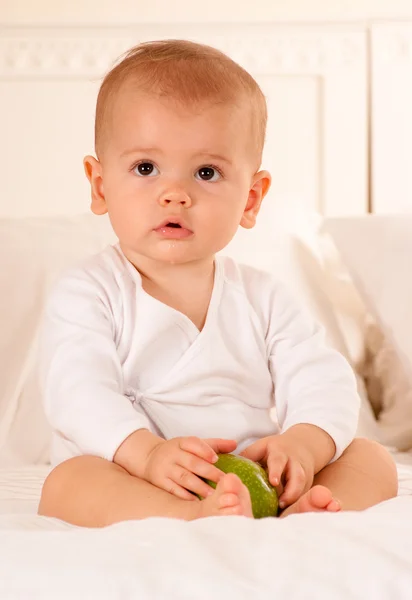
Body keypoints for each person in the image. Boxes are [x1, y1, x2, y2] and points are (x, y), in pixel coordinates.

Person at [38, 39, 397, 527]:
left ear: (250, 199)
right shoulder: (89, 291)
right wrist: (146, 455)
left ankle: (306, 518)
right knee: (68, 483)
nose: (175, 194)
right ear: (100, 186)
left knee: (372, 458)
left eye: (206, 172)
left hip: (253, 472)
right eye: (146, 168)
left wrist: (304, 445)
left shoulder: (264, 297)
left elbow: (322, 378)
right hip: (138, 472)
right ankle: (185, 516)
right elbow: (78, 392)